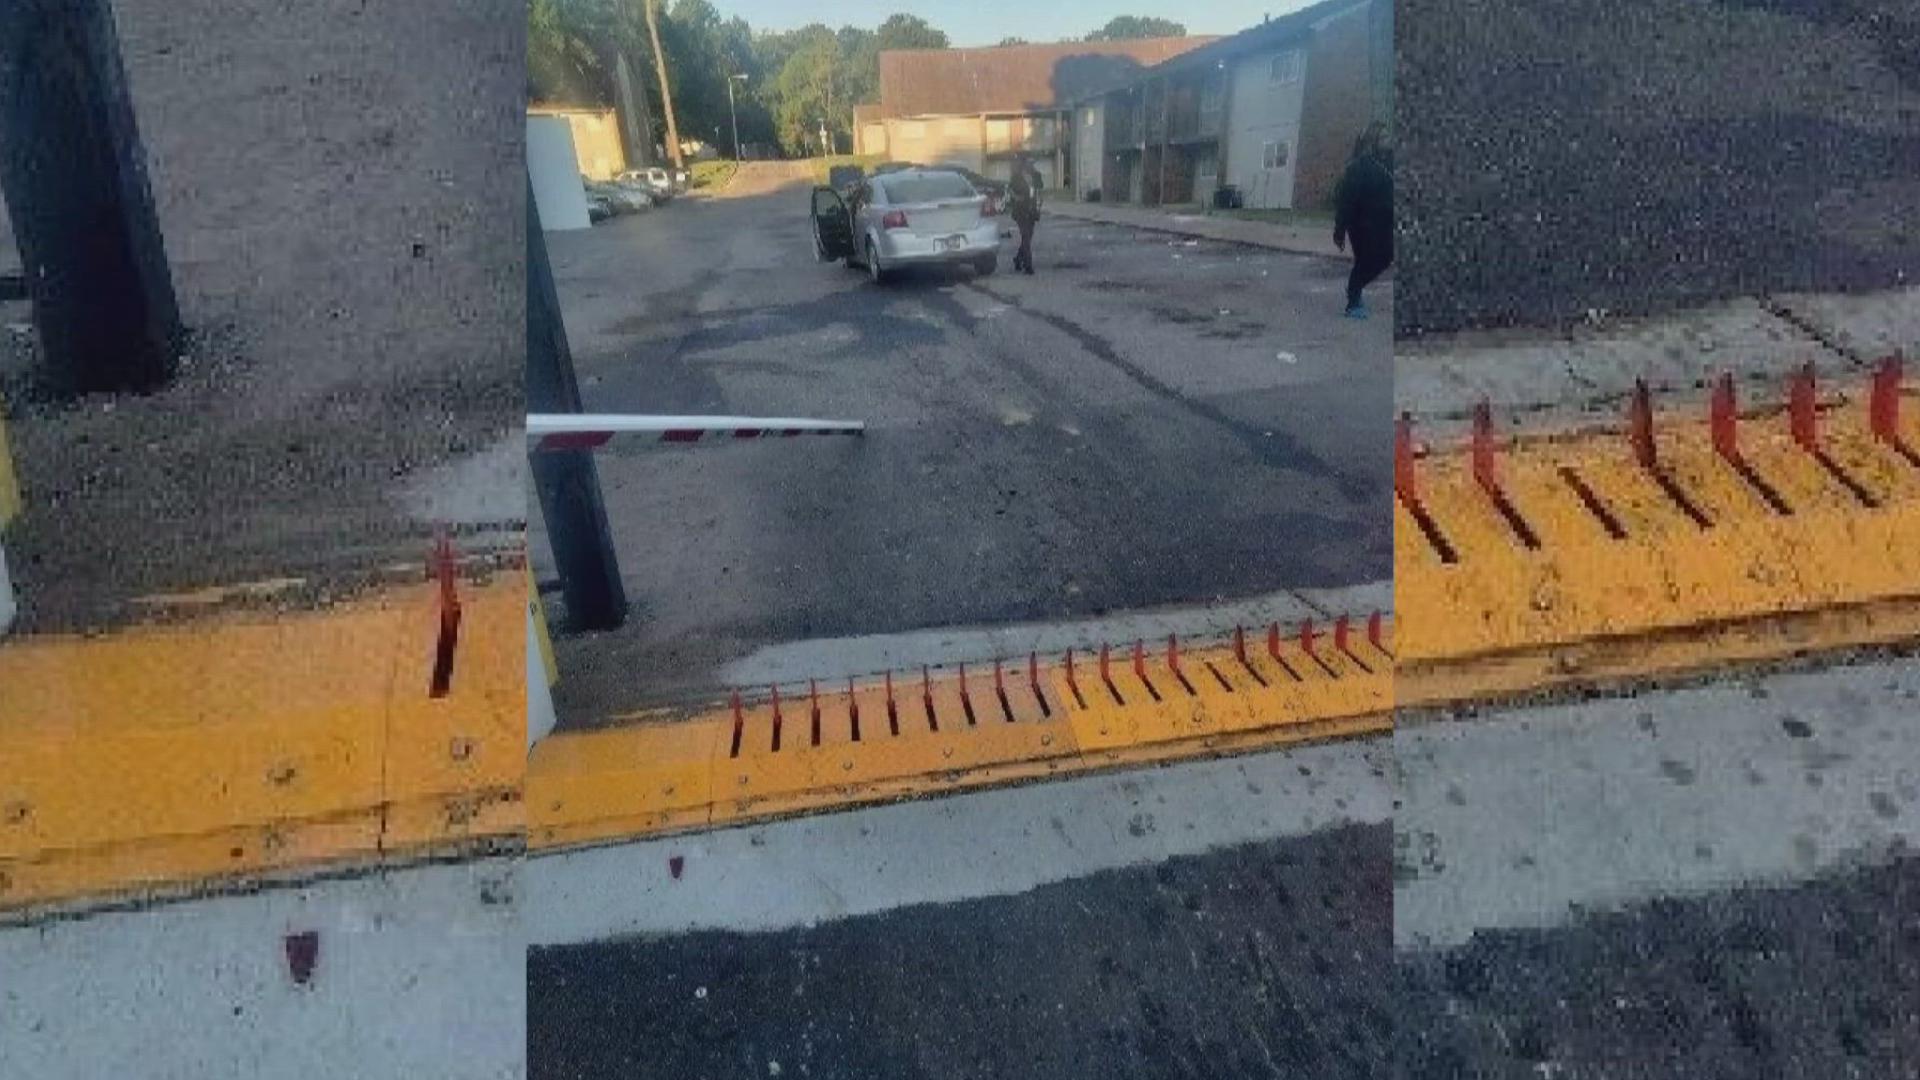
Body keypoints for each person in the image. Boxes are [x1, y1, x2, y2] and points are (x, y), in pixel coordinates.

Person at [1332, 123, 1394, 319]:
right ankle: (1353, 300)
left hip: (1383, 221)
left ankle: (1355, 287)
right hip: (1361, 223)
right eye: (1383, 138)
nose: (1387, 141)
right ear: (1373, 141)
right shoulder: (1360, 166)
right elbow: (1346, 199)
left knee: (1385, 257)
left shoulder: (1388, 162)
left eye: (1387, 137)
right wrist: (1340, 229)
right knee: (1365, 259)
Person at [1008, 154, 1042, 275]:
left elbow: (1039, 191)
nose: (1031, 166)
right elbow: (1010, 191)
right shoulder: (1016, 177)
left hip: (1032, 210)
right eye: (1029, 163)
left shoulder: (1037, 176)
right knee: (1026, 236)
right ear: (1024, 165)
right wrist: (1016, 197)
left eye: (1032, 164)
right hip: (1021, 211)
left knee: (1027, 237)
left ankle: (1018, 259)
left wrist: (1038, 207)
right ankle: (1028, 266)